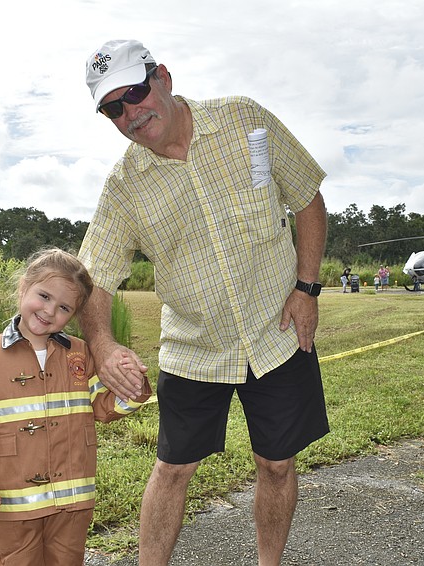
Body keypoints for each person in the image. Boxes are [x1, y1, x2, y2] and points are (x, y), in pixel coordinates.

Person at [80, 39, 330, 566]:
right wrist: (101, 345)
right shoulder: (124, 187)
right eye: (113, 108)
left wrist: (307, 288)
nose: (130, 113)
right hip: (193, 348)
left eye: (135, 93)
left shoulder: (245, 120)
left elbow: (307, 196)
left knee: (277, 464)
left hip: (278, 330)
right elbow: (94, 277)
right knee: (172, 469)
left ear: (163, 78)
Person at [0, 248, 153, 565]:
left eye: (64, 307)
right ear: (24, 287)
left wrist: (133, 383)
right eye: (44, 296)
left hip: (73, 496)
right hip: (14, 501)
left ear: (73, 315)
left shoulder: (80, 354)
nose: (49, 311)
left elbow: (104, 407)